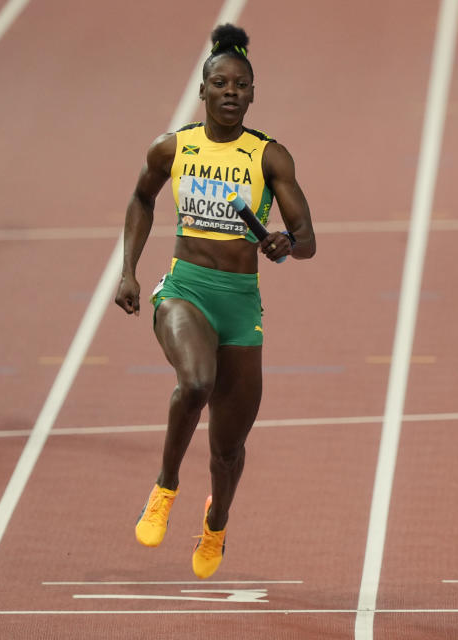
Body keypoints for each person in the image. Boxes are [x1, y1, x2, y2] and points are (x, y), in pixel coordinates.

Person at [115, 23, 315, 579]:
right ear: (202, 91)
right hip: (186, 288)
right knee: (196, 381)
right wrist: (128, 272)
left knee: (228, 451)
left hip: (241, 303)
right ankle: (164, 486)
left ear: (252, 94)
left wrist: (284, 242)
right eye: (220, 83)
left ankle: (216, 522)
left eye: (240, 85)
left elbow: (308, 242)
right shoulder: (172, 147)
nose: (230, 92)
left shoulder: (269, 157)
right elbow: (140, 197)